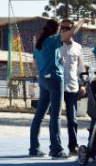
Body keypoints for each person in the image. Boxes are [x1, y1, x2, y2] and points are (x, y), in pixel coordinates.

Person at [30, 19, 81, 158]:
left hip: (43, 79)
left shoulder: (39, 44)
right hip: (55, 80)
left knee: (40, 115)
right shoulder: (53, 39)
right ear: (56, 29)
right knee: (55, 115)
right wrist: (82, 21)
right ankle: (56, 148)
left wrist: (58, 61)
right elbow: (72, 32)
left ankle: (34, 148)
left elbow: (35, 65)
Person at [58, 21, 86, 155]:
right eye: (62, 27)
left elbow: (81, 68)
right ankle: (56, 147)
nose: (64, 30)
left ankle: (73, 146)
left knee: (72, 118)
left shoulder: (78, 47)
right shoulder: (55, 45)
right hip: (56, 87)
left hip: (72, 87)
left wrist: (82, 85)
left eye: (67, 28)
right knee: (55, 118)